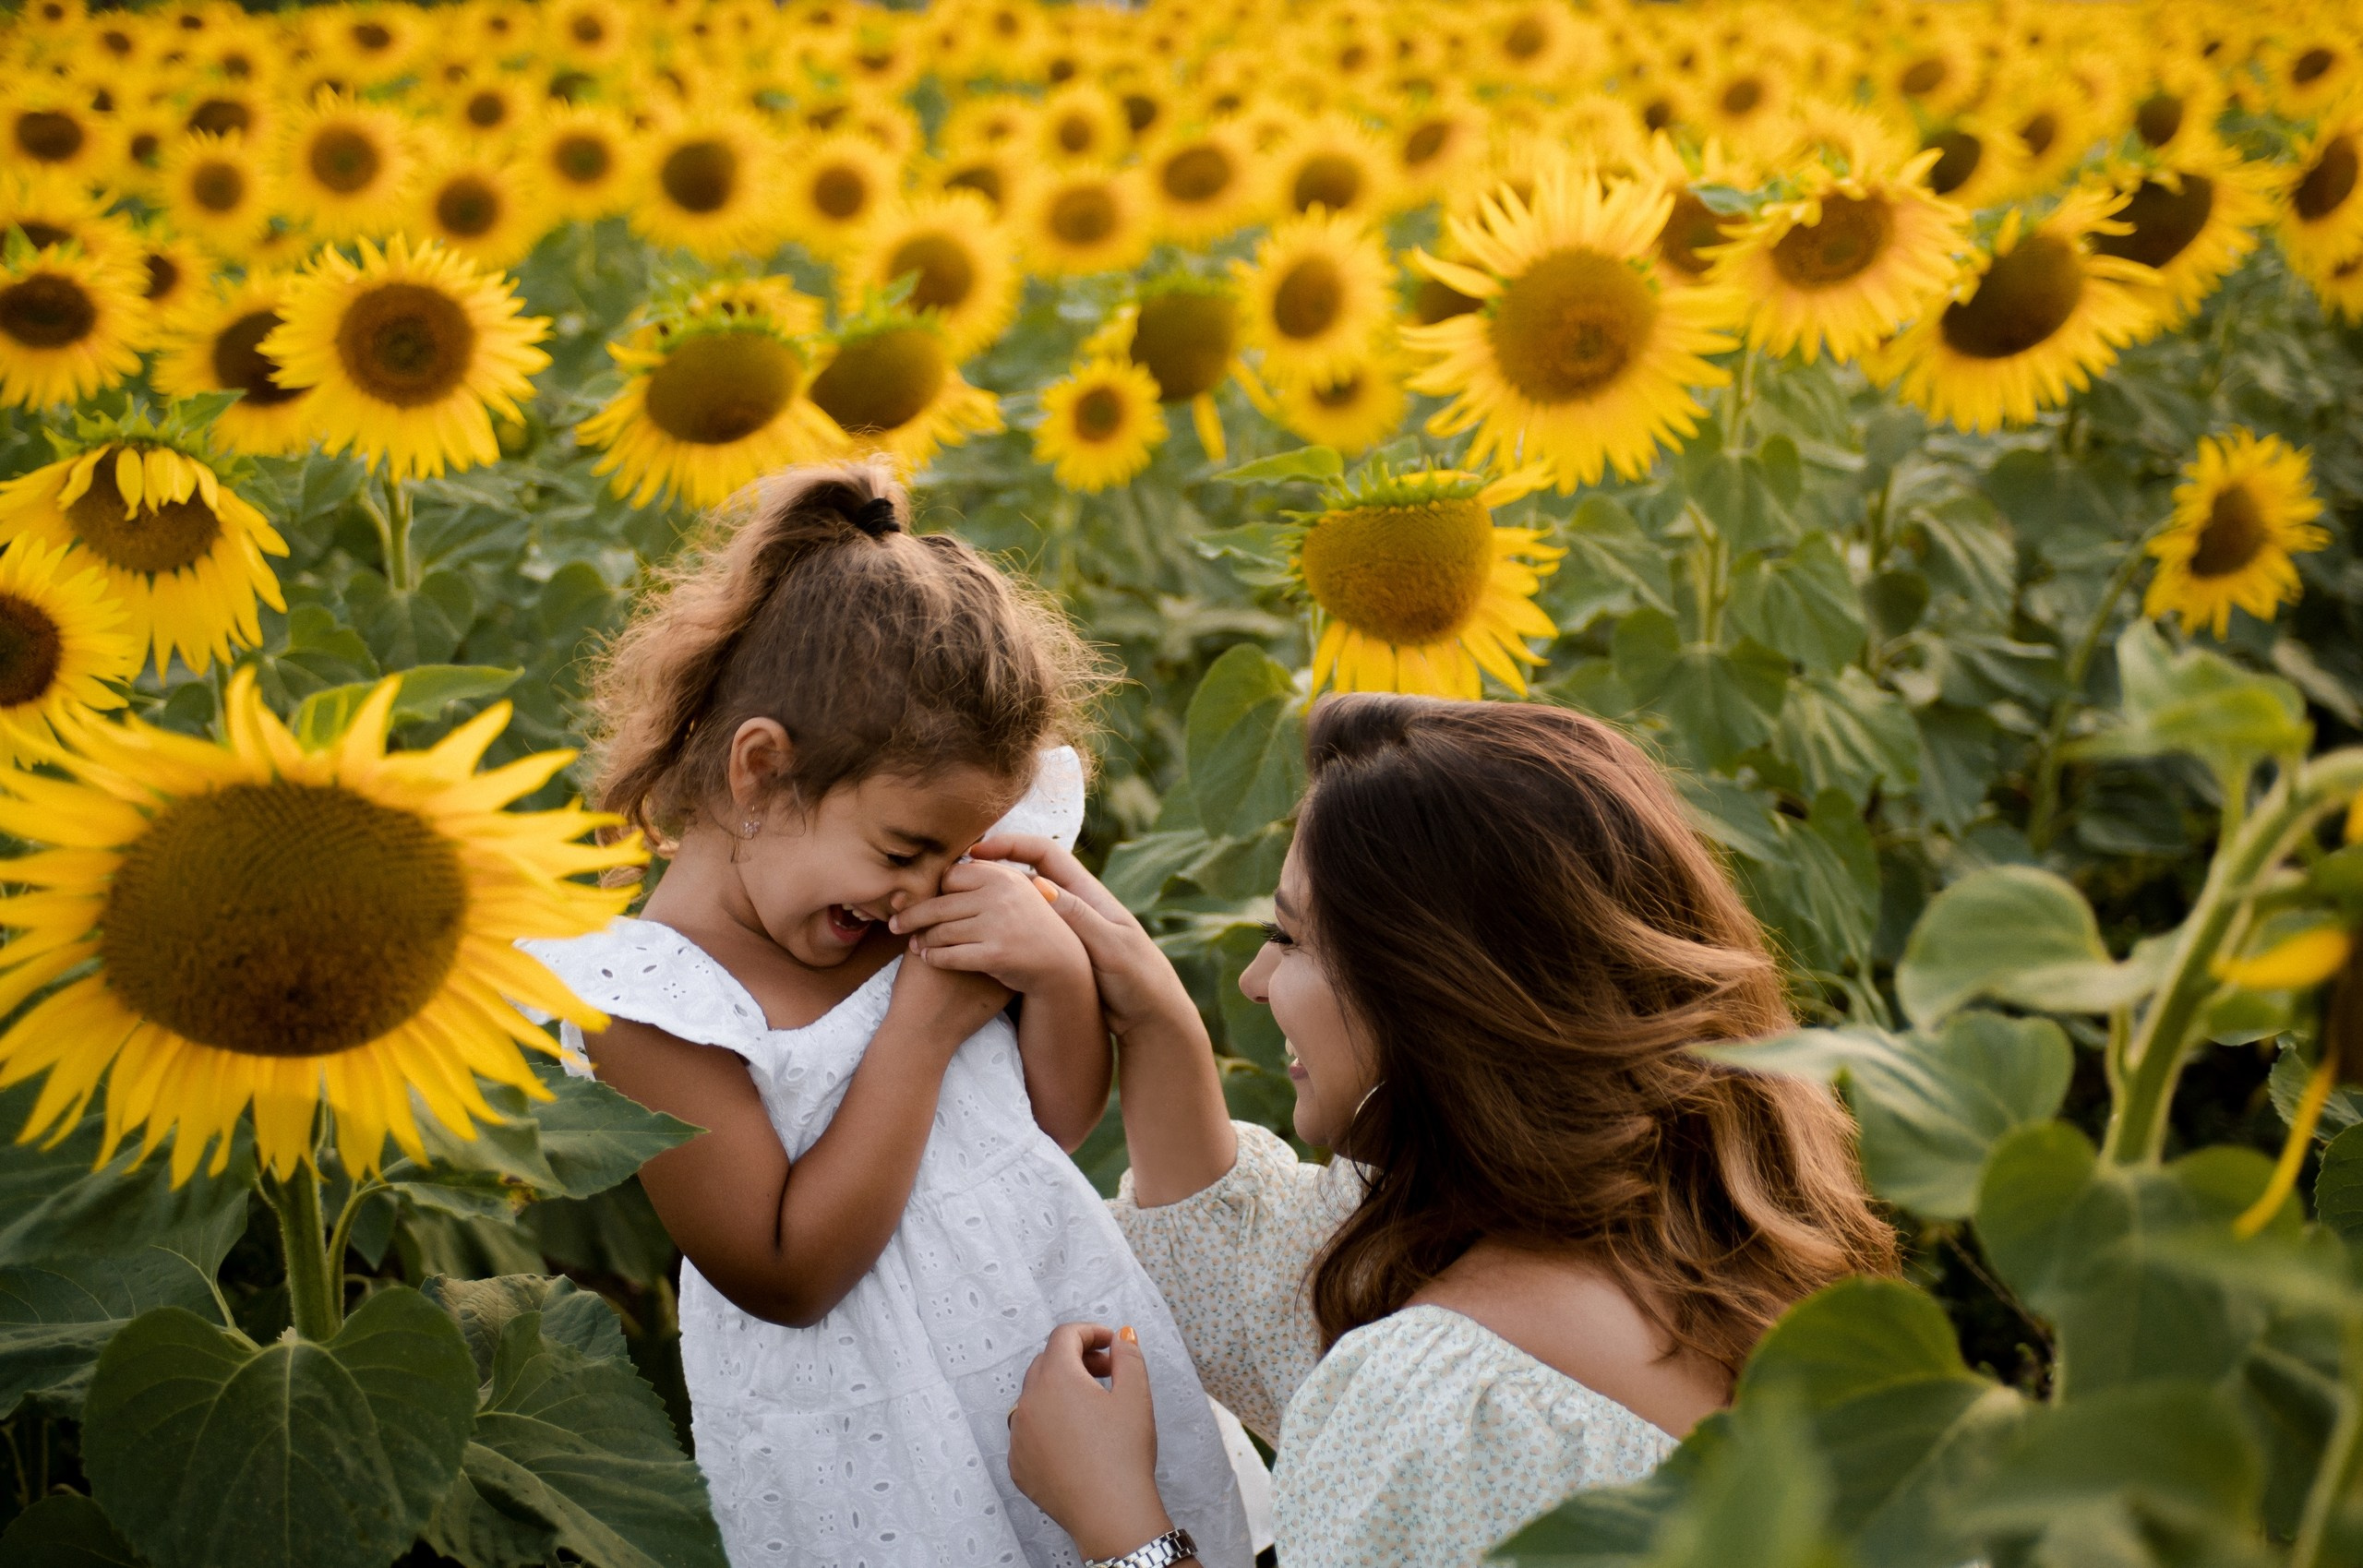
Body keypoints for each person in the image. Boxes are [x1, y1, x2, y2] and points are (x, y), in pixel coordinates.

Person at [969, 694, 1898, 1568]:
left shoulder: (1439, 1405)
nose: (1254, 981)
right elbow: (1253, 1299)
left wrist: (1117, 1520)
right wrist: (1159, 1025)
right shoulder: (1726, 1252)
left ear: (1430, 1000)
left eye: (1291, 940)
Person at [522, 460, 1252, 1568]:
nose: (925, 892)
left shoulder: (892, 894)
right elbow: (783, 1273)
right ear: (761, 772)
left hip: (1055, 1350)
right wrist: (921, 1025)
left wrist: (1052, 976)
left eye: (954, 855)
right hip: (876, 1434)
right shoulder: (654, 1004)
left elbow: (1044, 1126)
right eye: (905, 852)